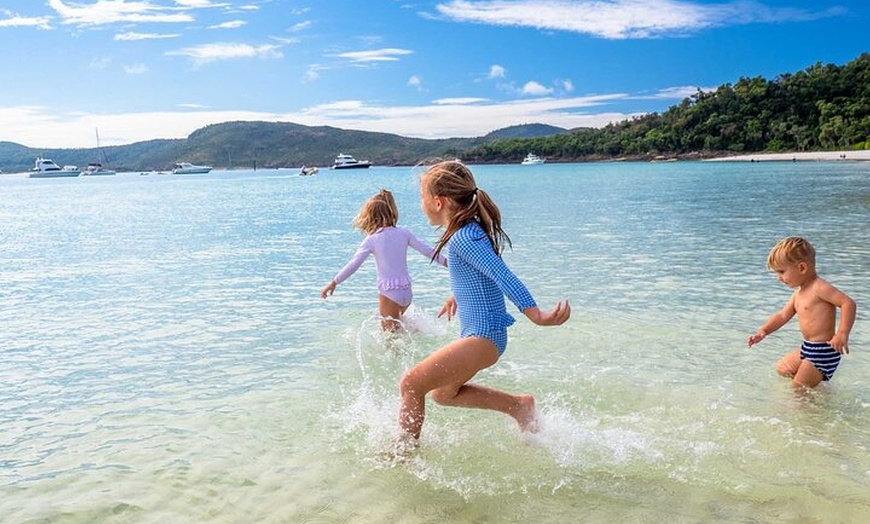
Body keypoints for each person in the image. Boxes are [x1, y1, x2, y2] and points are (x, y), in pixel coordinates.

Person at [398, 160, 570, 443]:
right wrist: (458, 295)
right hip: (485, 337)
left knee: (410, 383)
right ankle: (518, 406)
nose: (420, 204)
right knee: (443, 393)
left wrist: (536, 314)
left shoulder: (463, 238)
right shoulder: (467, 232)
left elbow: (503, 275)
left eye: (421, 197)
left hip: (483, 338)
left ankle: (403, 453)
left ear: (438, 202)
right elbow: (481, 275)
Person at [320, 189, 447, 331]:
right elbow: (428, 251)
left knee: (390, 341)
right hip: (406, 291)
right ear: (391, 212)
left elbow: (354, 264)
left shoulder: (372, 239)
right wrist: (448, 263)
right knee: (402, 334)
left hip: (389, 292)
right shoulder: (404, 233)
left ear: (370, 216)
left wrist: (334, 282)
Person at [747, 236, 856, 388]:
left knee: (797, 390)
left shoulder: (819, 288)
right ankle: (817, 389)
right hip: (809, 347)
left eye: (782, 271)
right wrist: (763, 331)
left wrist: (842, 334)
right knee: (783, 368)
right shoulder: (798, 294)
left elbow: (848, 303)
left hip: (824, 350)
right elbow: (782, 315)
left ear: (802, 268)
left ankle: (807, 406)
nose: (779, 278)